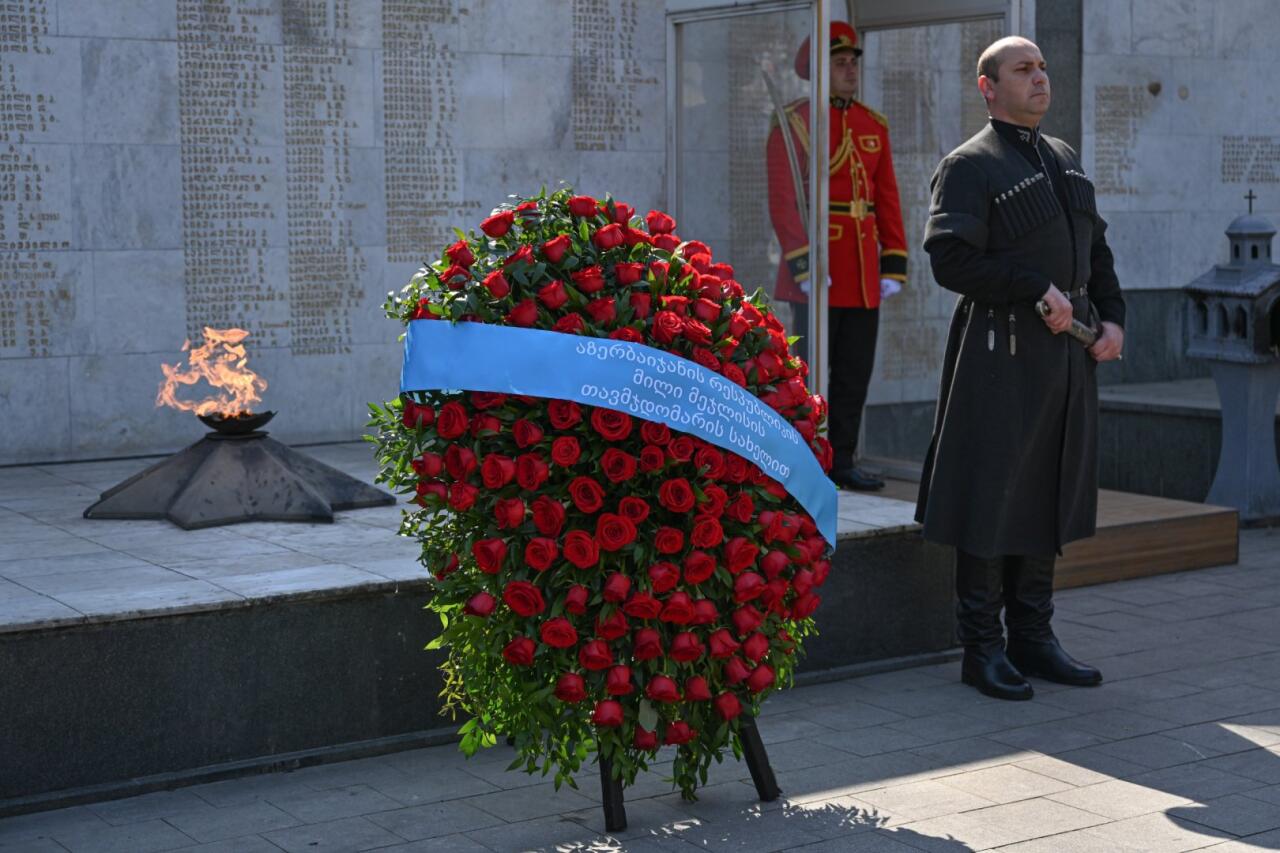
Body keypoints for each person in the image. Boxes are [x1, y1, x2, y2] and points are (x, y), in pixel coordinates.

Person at [916, 36, 1125, 701]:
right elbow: (951, 260)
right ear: (987, 87)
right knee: (991, 493)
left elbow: (1098, 253)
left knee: (1045, 487)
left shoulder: (1061, 158)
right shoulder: (969, 165)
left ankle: (1034, 637)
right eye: (1023, 69)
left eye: (1042, 67)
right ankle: (983, 648)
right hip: (998, 354)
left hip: (1065, 359)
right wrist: (1033, 286)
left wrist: (1114, 318)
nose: (1040, 78)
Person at [766, 21, 907, 492]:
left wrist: (893, 263)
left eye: (853, 63)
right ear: (819, 71)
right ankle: (807, 458)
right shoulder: (796, 123)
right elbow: (784, 201)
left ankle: (842, 458)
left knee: (853, 373)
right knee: (810, 373)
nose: (850, 72)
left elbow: (887, 198)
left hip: (863, 272)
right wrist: (804, 264)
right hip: (819, 271)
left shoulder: (873, 124)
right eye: (840, 64)